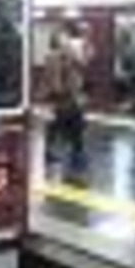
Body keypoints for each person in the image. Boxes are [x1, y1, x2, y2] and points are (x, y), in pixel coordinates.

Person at [41, 25, 89, 167]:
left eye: (66, 38)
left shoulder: (71, 55)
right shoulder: (52, 57)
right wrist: (57, 91)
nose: (66, 41)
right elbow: (53, 77)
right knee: (64, 123)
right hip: (63, 96)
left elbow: (82, 65)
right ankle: (71, 152)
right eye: (62, 38)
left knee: (71, 124)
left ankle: (76, 152)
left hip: (72, 95)